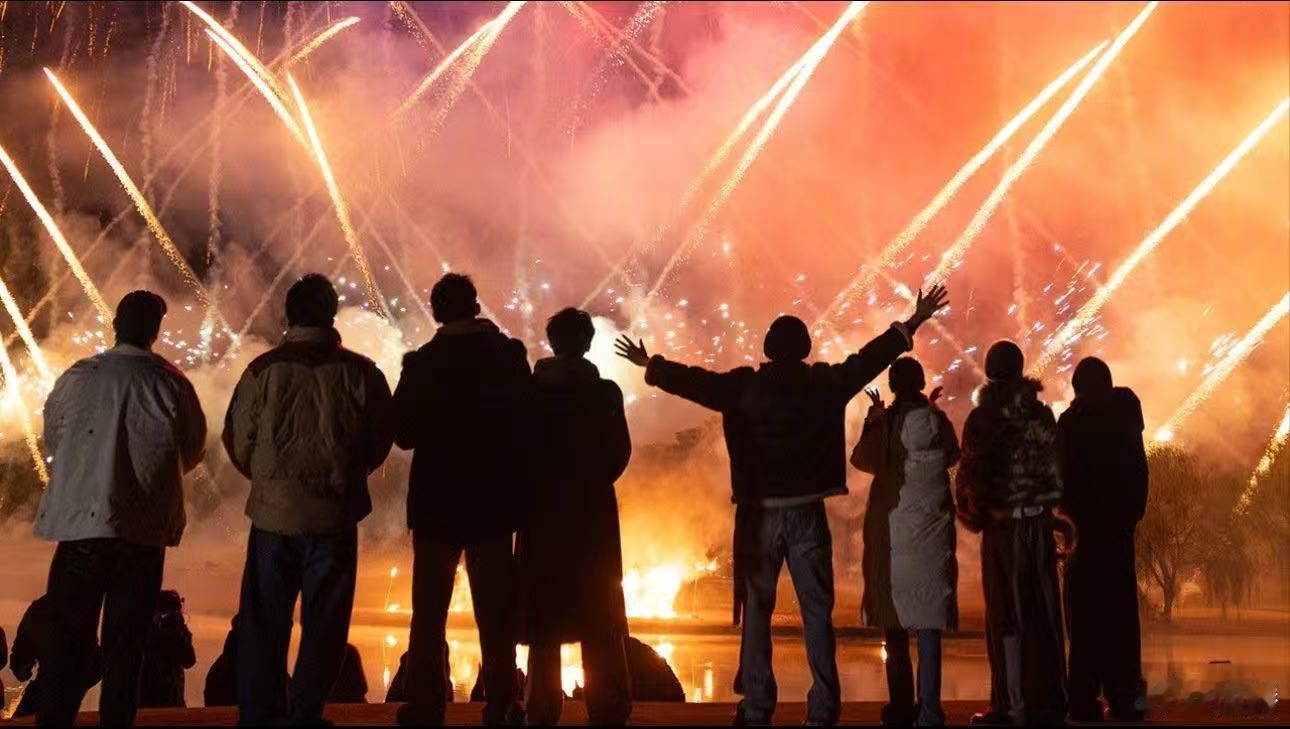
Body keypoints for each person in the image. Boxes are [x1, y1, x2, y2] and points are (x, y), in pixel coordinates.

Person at [616, 285, 950, 726]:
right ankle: (823, 707)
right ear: (805, 348)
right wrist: (913, 321)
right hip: (807, 511)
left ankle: (757, 707)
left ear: (769, 349)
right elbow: (869, 359)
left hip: (758, 515)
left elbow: (696, 382)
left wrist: (652, 366)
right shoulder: (824, 384)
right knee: (816, 613)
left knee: (757, 612)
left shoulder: (742, 387)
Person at [223, 273, 395, 725]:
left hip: (273, 517)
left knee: (264, 622)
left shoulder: (261, 371)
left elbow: (238, 439)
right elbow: (379, 440)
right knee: (326, 624)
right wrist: (348, 476)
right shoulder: (362, 373)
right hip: (335, 515)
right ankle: (306, 713)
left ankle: (260, 715)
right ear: (331, 315)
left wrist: (267, 479)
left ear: (289, 314)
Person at [34, 290, 206, 726]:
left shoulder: (78, 377)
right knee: (126, 649)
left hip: (80, 529)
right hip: (140, 534)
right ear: (155, 331)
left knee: (65, 644)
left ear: (114, 325)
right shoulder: (172, 383)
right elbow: (191, 451)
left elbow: (55, 438)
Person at [392, 273, 529, 726]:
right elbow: (527, 423)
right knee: (496, 611)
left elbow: (403, 434)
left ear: (436, 311)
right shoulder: (508, 357)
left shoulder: (421, 364)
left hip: (436, 503)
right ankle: (503, 701)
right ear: (475, 306)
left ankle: (426, 703)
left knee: (428, 612)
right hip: (493, 502)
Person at [518, 308, 633, 726]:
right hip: (591, 518)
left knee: (543, 620)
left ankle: (540, 708)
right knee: (599, 615)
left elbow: (516, 452)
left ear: (551, 343)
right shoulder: (604, 394)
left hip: (541, 515)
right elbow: (618, 454)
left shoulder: (529, 394)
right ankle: (608, 708)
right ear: (587, 342)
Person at [955, 340, 1066, 726]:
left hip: (1003, 529)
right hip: (1040, 526)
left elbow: (969, 480)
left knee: (1006, 616)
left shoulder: (982, 419)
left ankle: (1010, 706)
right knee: (1045, 616)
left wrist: (976, 516)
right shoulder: (1042, 415)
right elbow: (1057, 474)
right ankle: (1050, 703)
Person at [851, 358, 959, 726]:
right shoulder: (937, 421)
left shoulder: (887, 424)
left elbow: (862, 460)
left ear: (894, 385)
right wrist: (930, 411)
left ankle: (899, 707)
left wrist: (873, 418)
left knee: (893, 624)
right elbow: (953, 455)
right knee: (929, 627)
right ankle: (929, 710)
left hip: (892, 534)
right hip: (932, 534)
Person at [1058, 357, 1149, 722]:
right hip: (1118, 534)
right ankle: (1125, 696)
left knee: (1083, 620)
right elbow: (1139, 472)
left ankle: (1083, 698)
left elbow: (1061, 481)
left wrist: (1064, 524)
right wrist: (1130, 517)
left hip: (1084, 536)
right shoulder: (1126, 416)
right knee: (1121, 619)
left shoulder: (1071, 423)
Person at [9, 595, 103, 719]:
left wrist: (23, 670)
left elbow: (21, 661)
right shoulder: (83, 606)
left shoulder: (41, 609)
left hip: (52, 684)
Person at [138, 590, 197, 708]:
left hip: (170, 703)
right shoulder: (149, 634)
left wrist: (179, 628)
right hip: (155, 704)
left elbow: (189, 660)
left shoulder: (173, 632)